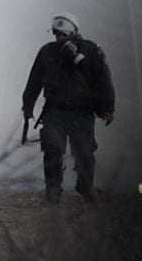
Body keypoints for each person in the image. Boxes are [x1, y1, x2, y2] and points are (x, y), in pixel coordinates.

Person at [22, 13, 114, 204]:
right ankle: (53, 190)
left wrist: (107, 107)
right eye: (57, 34)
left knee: (85, 153)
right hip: (55, 111)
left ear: (74, 33)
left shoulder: (91, 50)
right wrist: (28, 106)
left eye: (63, 34)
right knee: (53, 150)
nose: (59, 39)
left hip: (82, 111)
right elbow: (34, 81)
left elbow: (103, 80)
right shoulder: (47, 52)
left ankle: (85, 186)